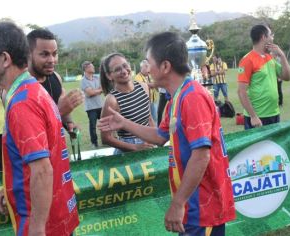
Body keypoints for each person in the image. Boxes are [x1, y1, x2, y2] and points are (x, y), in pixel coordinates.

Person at [98, 32, 235, 235]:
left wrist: (178, 203)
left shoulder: (192, 97)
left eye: (149, 62)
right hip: (193, 206)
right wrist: (124, 122)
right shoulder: (176, 98)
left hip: (203, 208)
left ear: (165, 66)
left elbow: (201, 155)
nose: (146, 69)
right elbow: (160, 136)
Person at [0, 22, 79, 235]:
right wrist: (10, 191)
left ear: (5, 59)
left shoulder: (23, 102)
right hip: (54, 214)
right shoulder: (31, 90)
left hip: (42, 223)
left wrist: (36, 228)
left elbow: (42, 170)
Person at [27, 29, 84, 133]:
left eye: (54, 54)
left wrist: (69, 123)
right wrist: (59, 111)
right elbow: (28, 130)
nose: (52, 60)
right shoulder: (18, 87)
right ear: (28, 54)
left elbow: (63, 112)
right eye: (44, 54)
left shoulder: (56, 77)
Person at [99, 52, 155, 154]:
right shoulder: (111, 100)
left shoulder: (144, 87)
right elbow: (105, 138)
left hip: (148, 144)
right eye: (117, 69)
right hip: (127, 151)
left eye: (125, 66)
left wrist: (155, 138)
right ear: (109, 76)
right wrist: (135, 147)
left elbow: (149, 118)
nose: (124, 71)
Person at [238, 24, 290, 130]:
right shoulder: (247, 60)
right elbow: (241, 92)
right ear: (263, 37)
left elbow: (287, 77)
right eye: (271, 35)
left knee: (272, 146)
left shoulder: (269, 57)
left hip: (274, 113)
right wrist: (253, 116)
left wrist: (282, 56)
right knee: (257, 147)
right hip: (258, 117)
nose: (272, 38)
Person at [80, 61, 103, 148]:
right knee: (93, 126)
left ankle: (106, 140)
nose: (93, 68)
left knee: (105, 124)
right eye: (91, 67)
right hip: (91, 107)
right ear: (86, 69)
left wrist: (95, 91)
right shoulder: (83, 81)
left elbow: (102, 89)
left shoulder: (97, 78)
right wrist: (97, 91)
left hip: (100, 105)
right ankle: (94, 142)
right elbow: (90, 93)